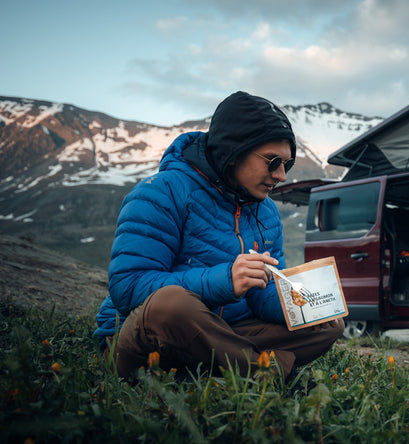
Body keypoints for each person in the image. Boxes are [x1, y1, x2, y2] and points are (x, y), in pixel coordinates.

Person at [94, 91, 344, 380]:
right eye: (273, 161)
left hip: (220, 335)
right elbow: (128, 287)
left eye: (286, 165)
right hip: (147, 339)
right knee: (171, 303)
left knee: (328, 324)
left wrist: (306, 300)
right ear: (234, 152)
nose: (281, 176)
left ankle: (213, 369)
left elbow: (264, 296)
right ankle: (272, 374)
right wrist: (226, 280)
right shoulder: (160, 192)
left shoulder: (266, 212)